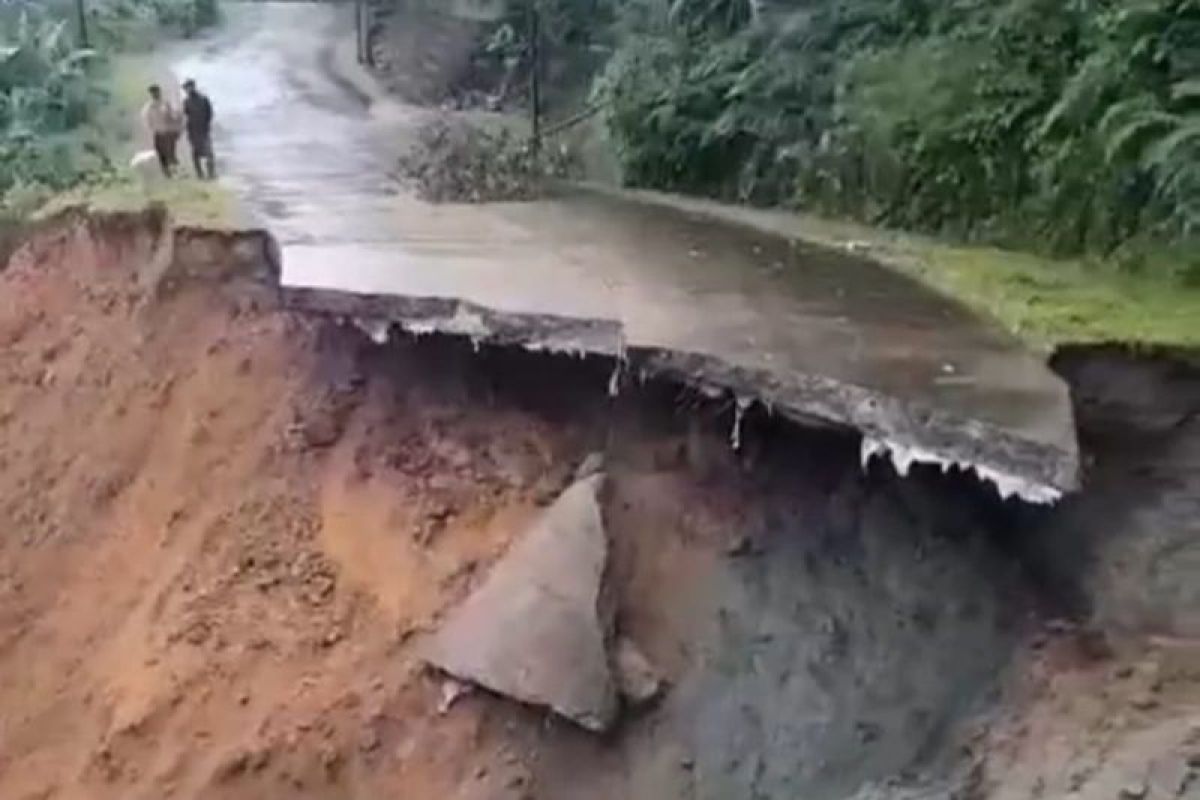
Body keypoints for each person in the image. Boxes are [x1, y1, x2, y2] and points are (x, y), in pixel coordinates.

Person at [141, 84, 181, 177]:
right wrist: (152, 129)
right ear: (151, 94)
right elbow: (147, 120)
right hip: (158, 133)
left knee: (171, 153)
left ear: (159, 92)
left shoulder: (166, 104)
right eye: (153, 92)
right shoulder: (149, 107)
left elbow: (173, 116)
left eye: (157, 92)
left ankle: (175, 172)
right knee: (161, 154)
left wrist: (175, 128)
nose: (155, 94)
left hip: (168, 132)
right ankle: (167, 174)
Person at [182, 79, 216, 180]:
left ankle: (211, 173)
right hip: (193, 131)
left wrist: (206, 125)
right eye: (186, 88)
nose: (187, 90)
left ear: (193, 86)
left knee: (208, 153)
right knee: (195, 154)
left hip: (203, 130)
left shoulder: (203, 99)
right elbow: (185, 116)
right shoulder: (186, 102)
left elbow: (209, 114)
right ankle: (200, 174)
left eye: (189, 87)